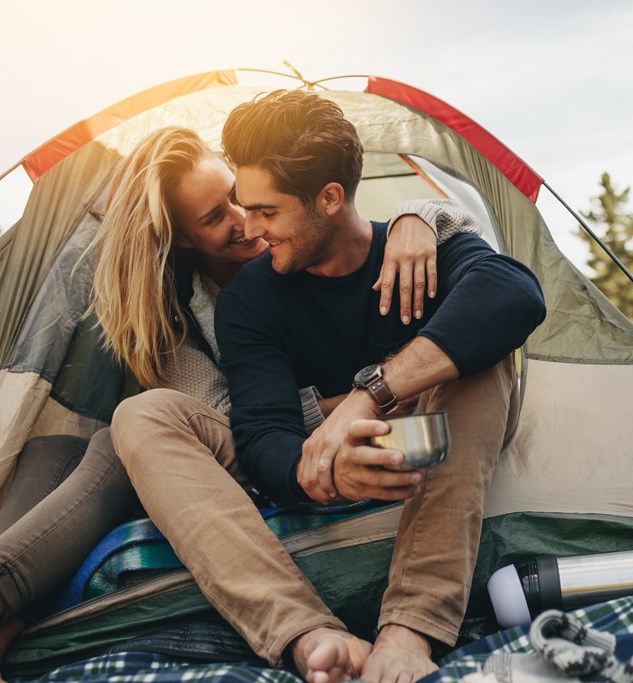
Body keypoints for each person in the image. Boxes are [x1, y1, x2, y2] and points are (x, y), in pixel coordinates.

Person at [0, 125, 476, 681]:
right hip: (258, 443)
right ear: (182, 239)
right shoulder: (176, 315)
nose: (244, 220)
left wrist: (418, 214)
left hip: (333, 426)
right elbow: (237, 419)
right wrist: (360, 398)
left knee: (111, 443)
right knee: (59, 449)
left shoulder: (307, 240)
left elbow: (354, 221)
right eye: (213, 217)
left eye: (237, 194)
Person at [209, 89, 546, 683]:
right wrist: (323, 471)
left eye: (267, 211)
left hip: (440, 438)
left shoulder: (416, 249)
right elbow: (262, 435)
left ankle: (411, 631)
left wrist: (372, 393)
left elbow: (516, 294)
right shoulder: (249, 300)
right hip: (345, 464)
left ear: (330, 198)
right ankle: (311, 634)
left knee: (480, 354)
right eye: (245, 207)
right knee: (146, 414)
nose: (251, 229)